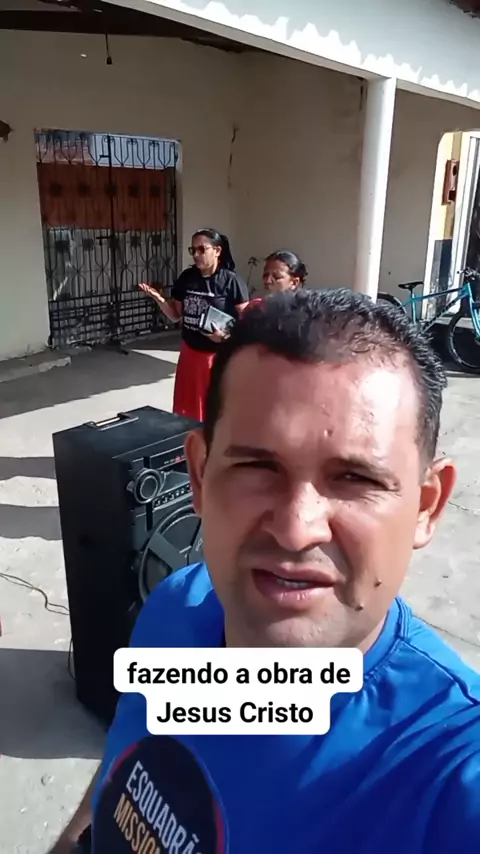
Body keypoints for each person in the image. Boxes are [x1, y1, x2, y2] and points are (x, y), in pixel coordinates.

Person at [48, 289, 480, 854]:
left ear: (425, 507)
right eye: (257, 466)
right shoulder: (180, 606)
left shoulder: (446, 768)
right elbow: (127, 766)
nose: (297, 529)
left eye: (355, 479)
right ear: (199, 477)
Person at [139, 228, 249, 422]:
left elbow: (246, 324)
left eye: (201, 249)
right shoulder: (187, 277)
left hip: (217, 357)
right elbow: (175, 316)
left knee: (215, 409)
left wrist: (225, 337)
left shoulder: (231, 281)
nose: (196, 255)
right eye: (193, 250)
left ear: (217, 250)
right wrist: (158, 298)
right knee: (187, 409)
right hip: (190, 354)